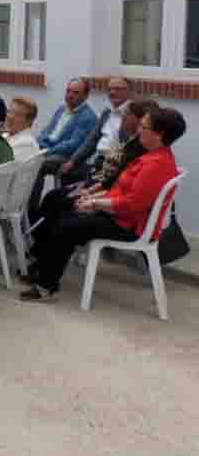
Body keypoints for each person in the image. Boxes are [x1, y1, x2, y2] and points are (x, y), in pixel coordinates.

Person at [20, 107, 185, 302]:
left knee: (67, 225)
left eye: (144, 126)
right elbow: (121, 189)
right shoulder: (151, 155)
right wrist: (92, 199)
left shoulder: (156, 164)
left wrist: (95, 204)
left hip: (128, 225)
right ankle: (43, 272)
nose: (139, 130)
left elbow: (132, 204)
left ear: (160, 134)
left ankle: (46, 286)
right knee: (63, 210)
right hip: (120, 216)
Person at [29, 99, 159, 266]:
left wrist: (89, 194)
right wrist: (86, 186)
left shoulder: (138, 151)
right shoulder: (130, 140)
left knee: (59, 203)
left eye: (127, 115)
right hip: (98, 184)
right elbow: (105, 171)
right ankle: (40, 252)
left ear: (139, 121)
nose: (124, 118)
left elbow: (114, 184)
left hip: (108, 202)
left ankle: (42, 257)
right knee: (53, 197)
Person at [30, 78, 98, 206]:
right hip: (48, 149)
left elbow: (72, 144)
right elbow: (47, 130)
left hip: (65, 156)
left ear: (85, 96)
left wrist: (47, 151)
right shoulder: (62, 109)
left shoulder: (88, 117)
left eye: (75, 92)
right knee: (24, 156)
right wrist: (38, 143)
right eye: (68, 91)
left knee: (37, 165)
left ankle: (32, 209)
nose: (69, 95)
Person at [58, 76, 131, 185]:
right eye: (110, 89)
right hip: (98, 161)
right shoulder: (107, 112)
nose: (112, 92)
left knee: (71, 194)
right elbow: (91, 140)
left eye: (118, 89)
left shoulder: (132, 114)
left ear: (128, 91)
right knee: (67, 172)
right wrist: (73, 160)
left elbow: (130, 146)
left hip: (114, 165)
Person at [3, 97, 41, 161]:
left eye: (17, 115)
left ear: (28, 121)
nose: (10, 117)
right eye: (9, 112)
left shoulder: (27, 144)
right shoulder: (5, 135)